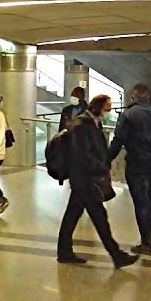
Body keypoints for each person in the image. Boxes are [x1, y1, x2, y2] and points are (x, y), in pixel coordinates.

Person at [57, 95, 140, 269]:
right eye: (107, 107)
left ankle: (64, 252)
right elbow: (82, 154)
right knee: (99, 218)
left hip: (84, 180)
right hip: (85, 179)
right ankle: (117, 255)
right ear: (98, 107)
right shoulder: (82, 125)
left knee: (73, 216)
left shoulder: (91, 123)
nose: (109, 110)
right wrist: (100, 167)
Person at [108, 83, 151, 257]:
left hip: (136, 162)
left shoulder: (128, 114)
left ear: (134, 97)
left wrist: (106, 160)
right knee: (148, 197)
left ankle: (146, 241)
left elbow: (118, 140)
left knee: (140, 200)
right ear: (148, 97)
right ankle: (147, 238)